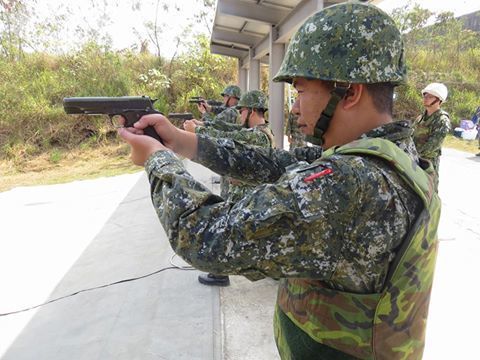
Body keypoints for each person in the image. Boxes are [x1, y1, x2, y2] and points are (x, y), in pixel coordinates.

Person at [118, 2, 441, 359]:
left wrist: (156, 160)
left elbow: (204, 236)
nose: (294, 108)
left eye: (301, 91)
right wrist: (184, 141)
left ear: (350, 93)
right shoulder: (397, 155)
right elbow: (274, 162)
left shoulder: (348, 183)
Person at [184, 90, 274, 286]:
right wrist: (204, 123)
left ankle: (220, 274)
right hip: (244, 193)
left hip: (245, 194)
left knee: (226, 232)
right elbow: (230, 129)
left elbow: (230, 136)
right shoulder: (258, 132)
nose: (238, 115)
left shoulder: (259, 136)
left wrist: (198, 131)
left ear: (251, 111)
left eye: (241, 111)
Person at [412, 82, 451, 187]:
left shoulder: (442, 120)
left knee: (429, 193)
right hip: (413, 162)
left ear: (439, 100)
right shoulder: (420, 118)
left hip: (428, 165)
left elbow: (433, 145)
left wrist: (413, 154)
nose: (425, 98)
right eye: (425, 95)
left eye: (430, 96)